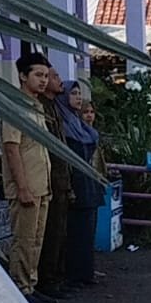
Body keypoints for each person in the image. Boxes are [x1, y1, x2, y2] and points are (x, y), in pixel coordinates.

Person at [3, 52, 55, 303]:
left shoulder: (37, 106)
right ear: (23, 76)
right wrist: (22, 187)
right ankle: (20, 288)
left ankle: (31, 284)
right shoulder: (14, 106)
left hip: (41, 184)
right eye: (38, 75)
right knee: (23, 241)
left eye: (46, 76)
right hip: (26, 186)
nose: (43, 80)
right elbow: (11, 148)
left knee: (36, 240)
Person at [59, 80, 108, 289]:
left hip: (90, 184)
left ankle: (86, 272)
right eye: (73, 93)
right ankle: (73, 274)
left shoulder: (81, 127)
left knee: (88, 231)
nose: (78, 97)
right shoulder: (64, 126)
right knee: (76, 232)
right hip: (75, 184)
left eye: (79, 93)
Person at [36, 65, 74, 300]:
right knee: (50, 232)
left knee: (60, 232)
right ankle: (45, 280)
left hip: (61, 178)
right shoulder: (41, 107)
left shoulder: (55, 106)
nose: (58, 80)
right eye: (54, 76)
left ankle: (57, 277)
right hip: (49, 178)